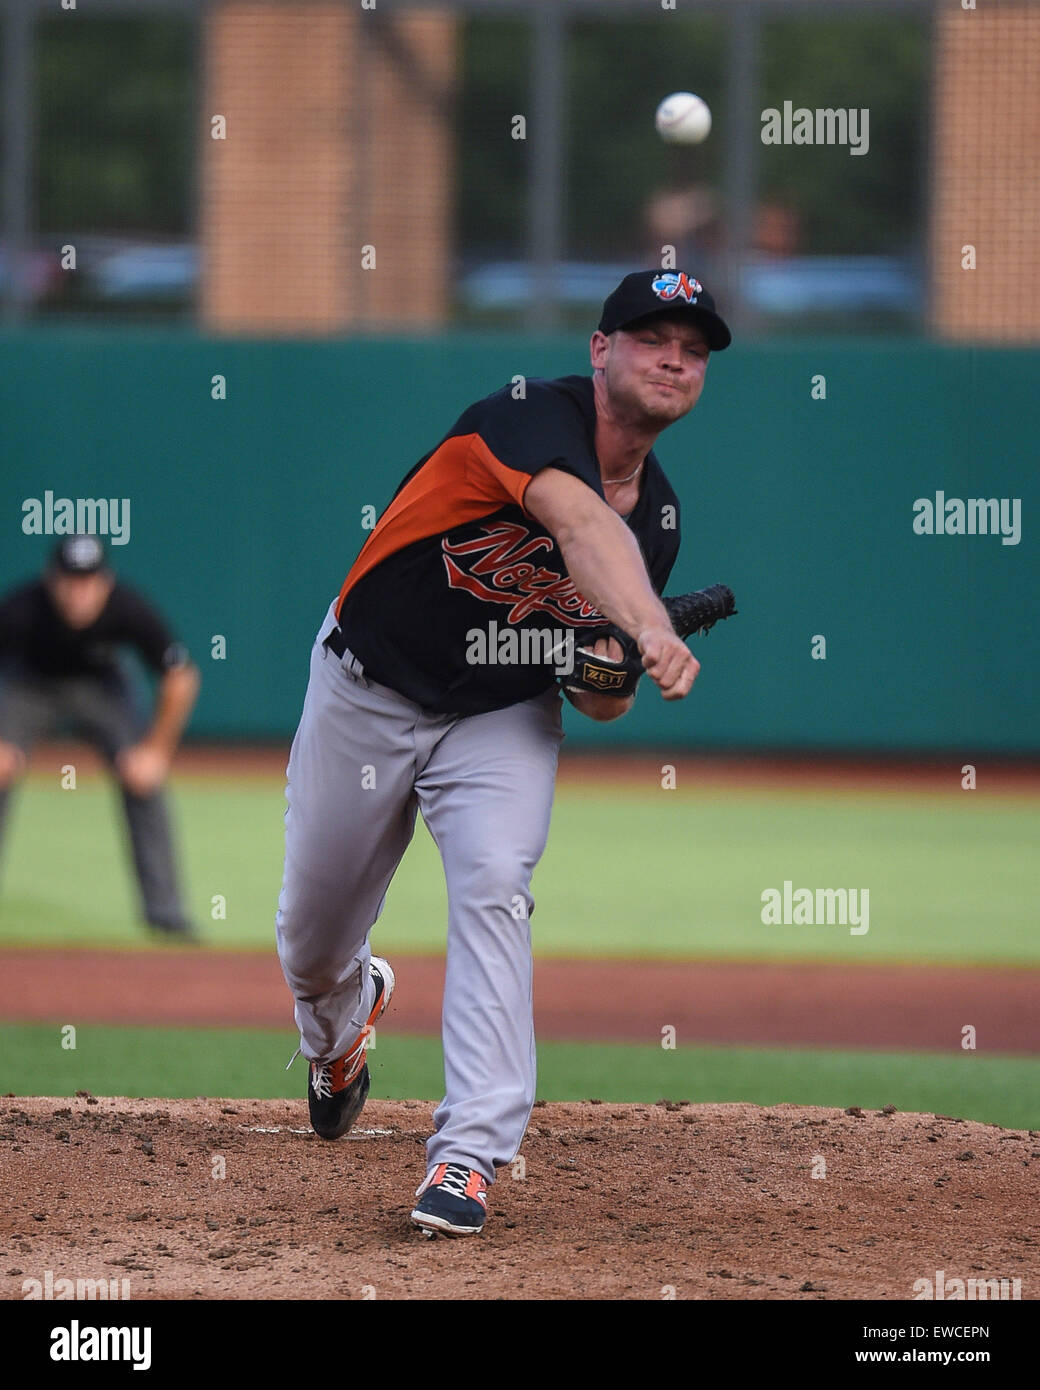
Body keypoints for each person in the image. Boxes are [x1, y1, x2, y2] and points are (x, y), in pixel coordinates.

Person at [275, 269, 731, 1237]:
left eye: (691, 350)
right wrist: (647, 626)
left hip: (497, 716)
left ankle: (469, 1152)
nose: (672, 358)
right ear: (599, 350)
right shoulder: (519, 416)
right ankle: (340, 1025)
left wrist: (609, 665)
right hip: (367, 683)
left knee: (494, 881)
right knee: (311, 938)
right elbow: (571, 520)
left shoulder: (659, 519)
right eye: (650, 336)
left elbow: (593, 700)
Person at [0, 534, 201, 939]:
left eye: (88, 581)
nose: (79, 593)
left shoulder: (127, 606)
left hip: (102, 689)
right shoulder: (22, 608)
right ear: (51, 580)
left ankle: (167, 916)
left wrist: (155, 751)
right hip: (29, 687)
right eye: (70, 581)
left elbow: (181, 676)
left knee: (142, 777)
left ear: (105, 581)